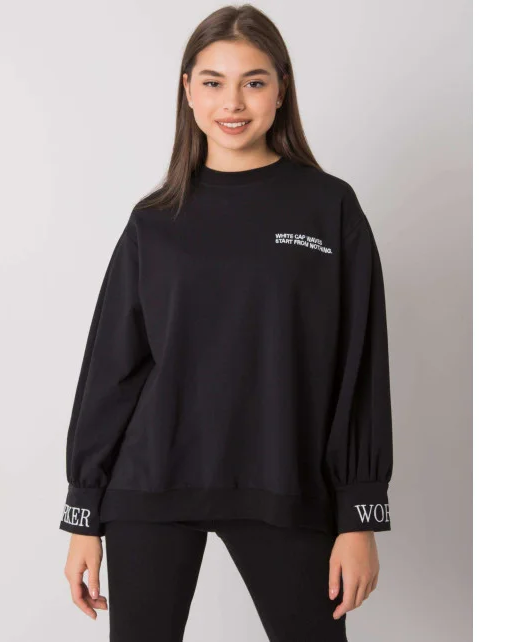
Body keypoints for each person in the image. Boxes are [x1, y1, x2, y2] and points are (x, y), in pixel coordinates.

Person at [59, 5, 394, 641]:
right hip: (150, 484)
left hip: (284, 480)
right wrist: (83, 513)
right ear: (188, 90)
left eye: (253, 81)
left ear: (281, 89)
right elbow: (112, 371)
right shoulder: (154, 221)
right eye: (213, 82)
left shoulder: (329, 207)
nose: (232, 102)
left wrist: (360, 515)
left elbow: (359, 363)